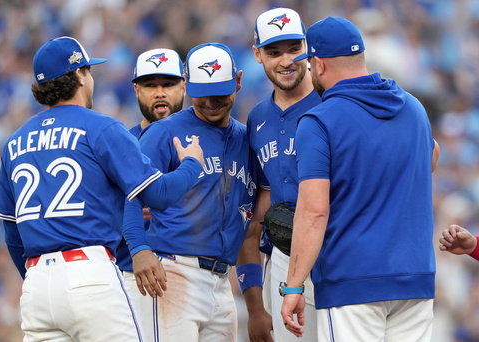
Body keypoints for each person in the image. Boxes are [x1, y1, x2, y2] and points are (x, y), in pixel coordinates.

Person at [0, 36, 204, 342]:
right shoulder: (100, 126)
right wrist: (191, 166)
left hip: (37, 285)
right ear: (79, 74)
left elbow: (12, 235)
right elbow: (158, 194)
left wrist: (39, 278)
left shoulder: (15, 142)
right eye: (89, 71)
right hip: (89, 274)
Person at [280, 17, 440, 341]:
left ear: (319, 65)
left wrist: (294, 284)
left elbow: (314, 212)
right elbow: (431, 157)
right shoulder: (413, 108)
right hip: (416, 281)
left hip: (352, 282)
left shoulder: (318, 121)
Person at [123, 42, 257, 341]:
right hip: (174, 273)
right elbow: (133, 193)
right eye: (202, 93)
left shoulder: (247, 139)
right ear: (190, 86)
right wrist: (139, 248)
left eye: (220, 92)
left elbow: (251, 224)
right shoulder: (163, 131)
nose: (211, 101)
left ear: (237, 82)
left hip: (222, 281)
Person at [235, 7, 320, 342]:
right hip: (284, 258)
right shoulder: (257, 118)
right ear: (258, 55)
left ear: (307, 47)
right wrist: (256, 308)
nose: (286, 60)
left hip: (338, 252)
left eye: (293, 48)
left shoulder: (334, 98)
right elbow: (259, 207)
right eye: (274, 52)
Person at [116, 47, 186, 341]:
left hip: (195, 276)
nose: (160, 93)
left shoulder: (207, 140)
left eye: (168, 84)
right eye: (150, 85)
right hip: (134, 277)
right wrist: (121, 214)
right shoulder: (119, 144)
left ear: (184, 85)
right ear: (136, 90)